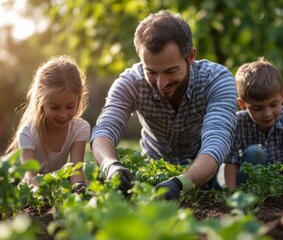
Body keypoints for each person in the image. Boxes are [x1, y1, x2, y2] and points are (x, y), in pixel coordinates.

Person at [90, 10, 237, 200]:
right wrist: (110, 165)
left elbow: (217, 140)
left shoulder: (217, 79)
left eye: (170, 71)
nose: (161, 84)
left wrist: (182, 182)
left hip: (208, 175)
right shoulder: (130, 82)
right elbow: (104, 130)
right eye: (151, 72)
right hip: (153, 172)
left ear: (191, 57)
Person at [223, 57, 283, 193]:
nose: (267, 113)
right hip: (251, 176)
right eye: (258, 108)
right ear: (242, 105)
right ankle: (248, 194)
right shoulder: (238, 122)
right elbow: (231, 161)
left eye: (273, 105)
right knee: (255, 152)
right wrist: (231, 194)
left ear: (282, 95)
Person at [5, 55, 90, 191]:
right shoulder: (28, 132)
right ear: (41, 102)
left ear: (79, 100)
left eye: (69, 106)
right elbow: (31, 176)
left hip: (56, 189)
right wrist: (44, 198)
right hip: (31, 194)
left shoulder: (80, 128)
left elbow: (76, 172)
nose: (63, 114)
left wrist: (80, 191)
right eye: (55, 107)